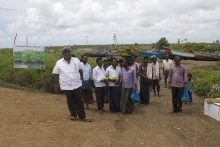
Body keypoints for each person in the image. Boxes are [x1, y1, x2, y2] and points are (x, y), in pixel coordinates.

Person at [52, 47, 91, 122]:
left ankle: (82, 116)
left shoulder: (76, 60)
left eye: (68, 52)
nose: (67, 53)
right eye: (65, 52)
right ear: (63, 54)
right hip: (66, 84)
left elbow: (80, 70)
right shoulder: (59, 62)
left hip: (77, 83)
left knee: (79, 100)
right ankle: (73, 114)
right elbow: (56, 74)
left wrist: (81, 79)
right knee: (70, 100)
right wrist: (56, 85)